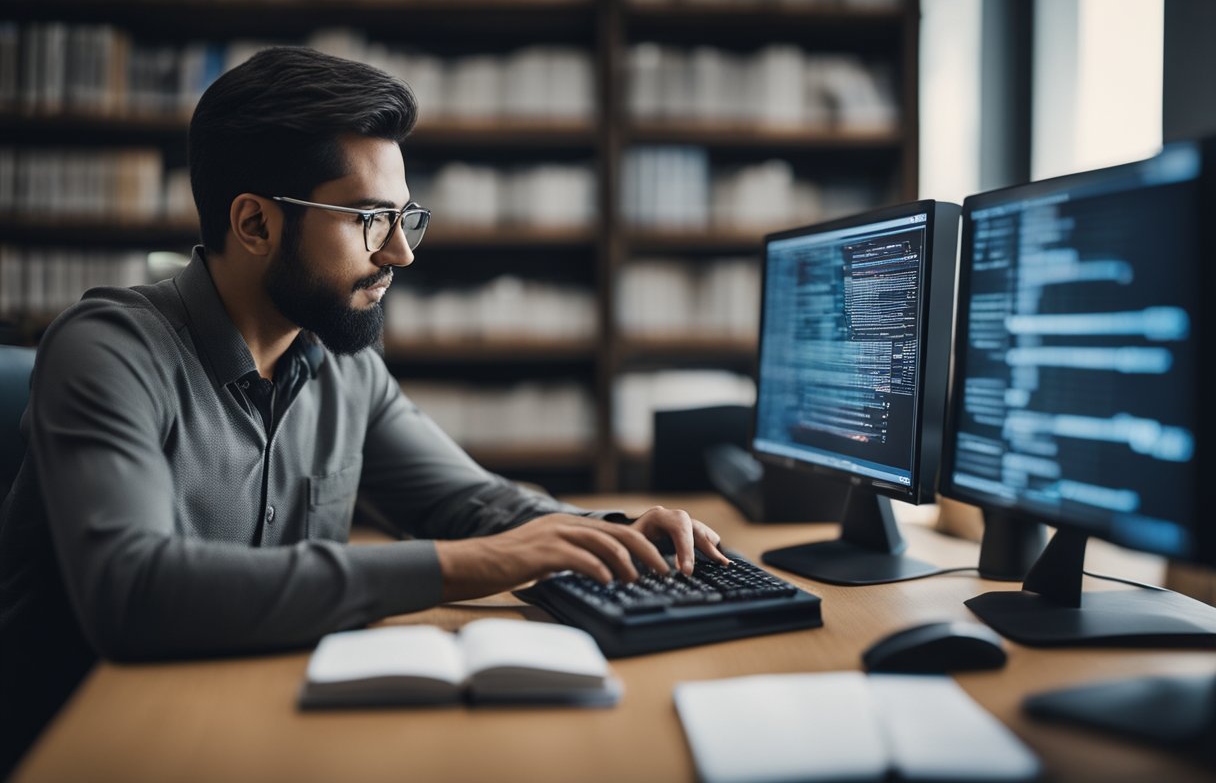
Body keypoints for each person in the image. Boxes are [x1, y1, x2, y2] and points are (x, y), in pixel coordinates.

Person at [0, 46, 729, 774]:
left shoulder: (346, 372)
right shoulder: (106, 351)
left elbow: (475, 505)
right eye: (370, 219)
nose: (401, 254)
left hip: (255, 723)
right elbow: (134, 594)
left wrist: (608, 535)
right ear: (255, 224)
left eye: (406, 217)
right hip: (94, 750)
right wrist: (455, 567)